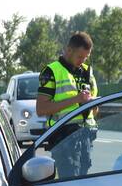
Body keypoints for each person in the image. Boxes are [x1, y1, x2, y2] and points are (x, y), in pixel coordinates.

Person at [35, 32, 99, 178]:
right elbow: (41, 109)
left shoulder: (88, 73)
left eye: (86, 57)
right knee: (70, 184)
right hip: (64, 138)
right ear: (69, 50)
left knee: (82, 184)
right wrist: (76, 99)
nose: (82, 60)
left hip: (86, 136)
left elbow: (95, 109)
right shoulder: (51, 71)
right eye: (79, 56)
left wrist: (92, 105)